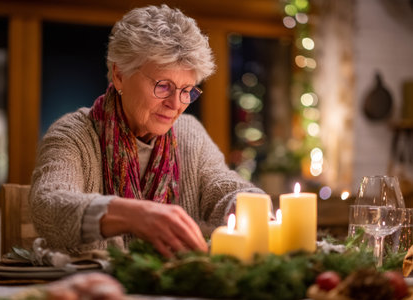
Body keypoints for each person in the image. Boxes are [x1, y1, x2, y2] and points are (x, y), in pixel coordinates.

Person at [29, 4, 265, 258]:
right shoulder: (74, 134)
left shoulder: (188, 132)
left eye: (187, 90)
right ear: (119, 75)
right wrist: (133, 214)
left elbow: (220, 185)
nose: (176, 105)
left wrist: (248, 205)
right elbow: (48, 205)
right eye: (163, 86)